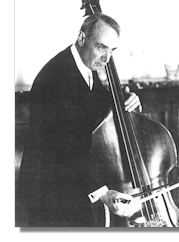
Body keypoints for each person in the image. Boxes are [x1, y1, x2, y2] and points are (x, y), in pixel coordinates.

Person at [16, 13, 142, 227]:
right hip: (50, 196)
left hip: (73, 186)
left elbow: (101, 103)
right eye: (101, 47)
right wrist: (104, 193)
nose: (107, 59)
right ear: (82, 38)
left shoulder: (84, 68)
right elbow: (65, 149)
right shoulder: (55, 78)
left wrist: (127, 100)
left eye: (112, 51)